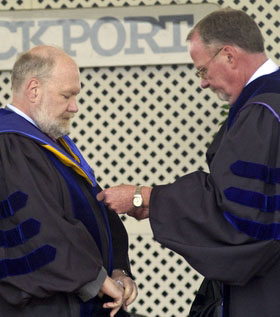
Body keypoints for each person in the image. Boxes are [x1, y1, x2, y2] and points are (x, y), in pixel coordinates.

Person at [0, 45, 137, 316]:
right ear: (33, 90)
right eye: (67, 95)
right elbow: (34, 227)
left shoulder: (51, 146)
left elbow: (96, 212)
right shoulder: (4, 145)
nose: (74, 107)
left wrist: (119, 269)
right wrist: (94, 279)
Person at [97, 8, 280, 317]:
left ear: (229, 56)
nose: (203, 84)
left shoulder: (263, 112)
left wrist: (147, 197)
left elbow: (241, 218)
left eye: (202, 71)